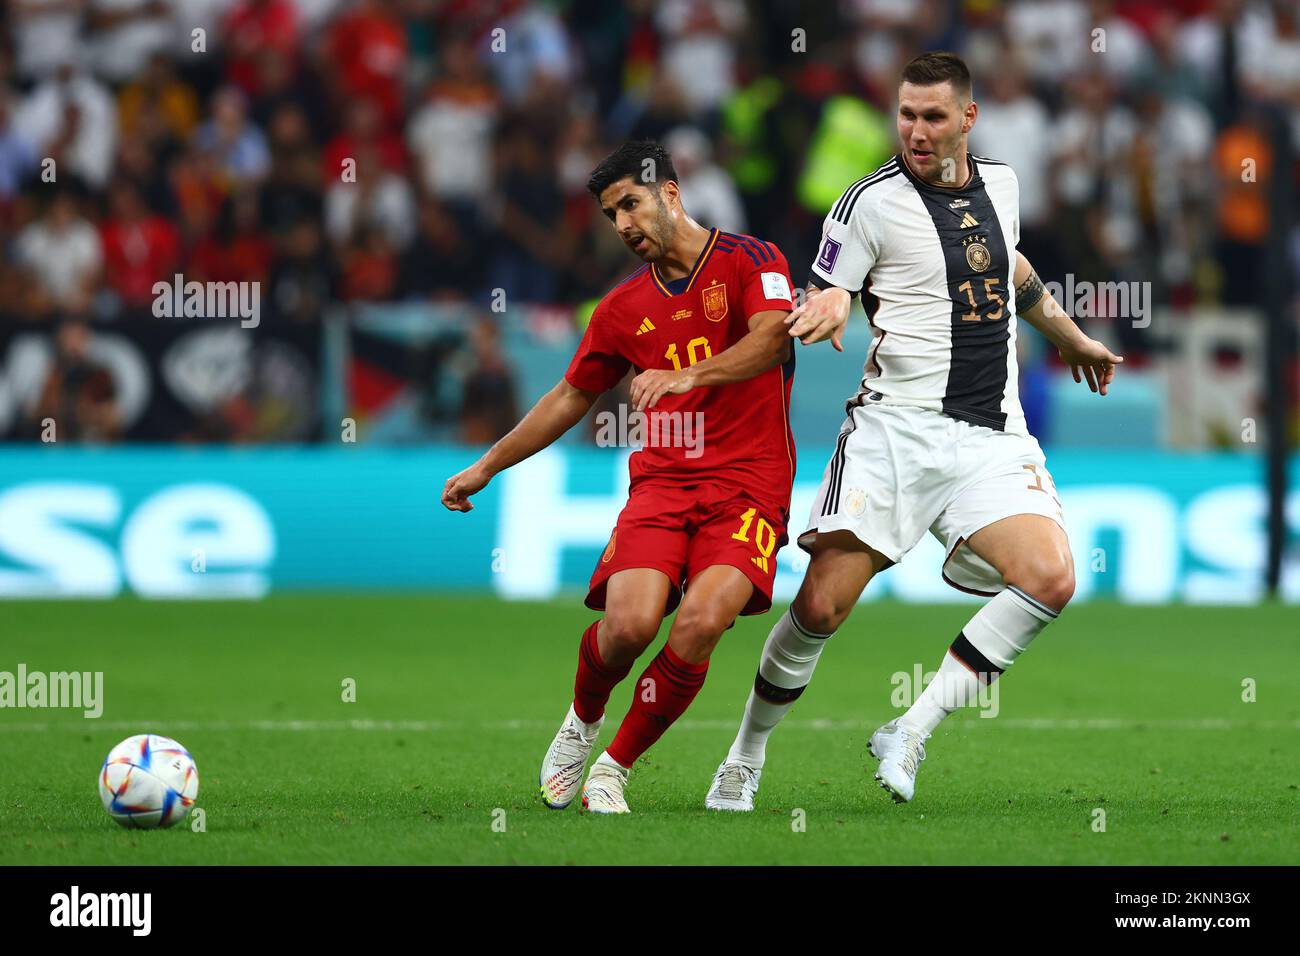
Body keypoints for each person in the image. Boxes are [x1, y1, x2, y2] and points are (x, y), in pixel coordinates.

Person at [706, 52, 1124, 810]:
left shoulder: (1004, 184)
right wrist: (830, 307)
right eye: (906, 114)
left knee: (1053, 578)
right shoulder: (866, 203)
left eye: (933, 116)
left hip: (991, 435)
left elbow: (1012, 269)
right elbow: (832, 287)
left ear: (967, 118)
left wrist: (1070, 336)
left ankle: (913, 727)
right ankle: (745, 755)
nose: (917, 130)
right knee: (821, 609)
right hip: (893, 435)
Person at [442, 140, 798, 814]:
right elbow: (570, 396)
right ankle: (582, 719)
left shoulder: (753, 260)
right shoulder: (620, 308)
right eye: (610, 216)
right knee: (629, 627)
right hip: (662, 487)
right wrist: (486, 465)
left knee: (700, 622)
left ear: (670, 192)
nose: (623, 225)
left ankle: (614, 768)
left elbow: (773, 338)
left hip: (749, 485)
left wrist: (690, 373)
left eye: (630, 204)